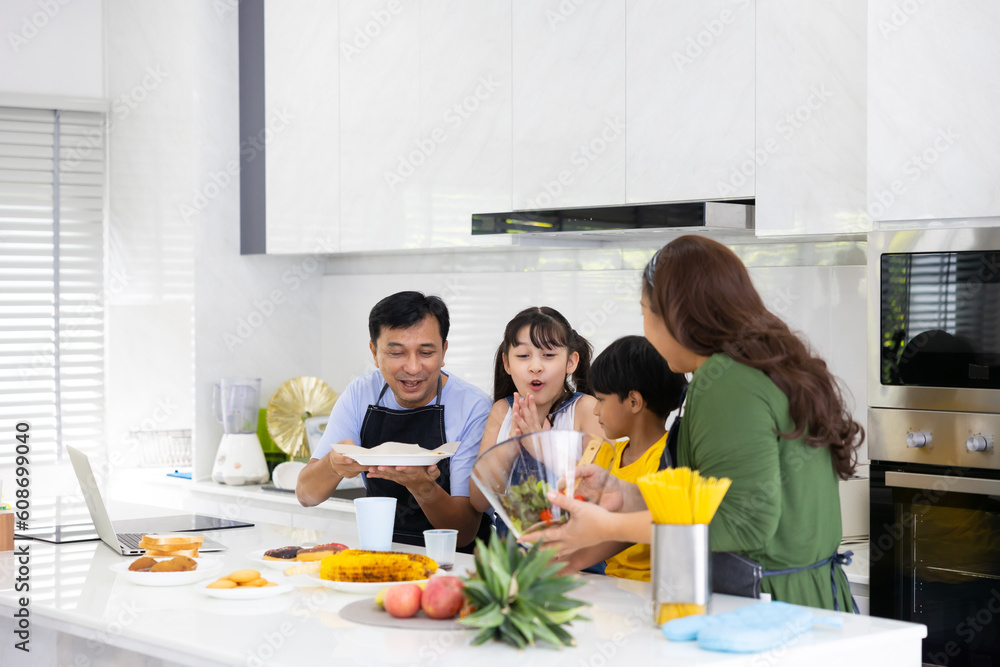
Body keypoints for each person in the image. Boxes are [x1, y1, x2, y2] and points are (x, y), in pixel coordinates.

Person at [522, 236, 865, 611]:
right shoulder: (755, 365)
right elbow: (711, 495)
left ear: (676, 315)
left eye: (644, 311)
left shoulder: (727, 381)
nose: (646, 328)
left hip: (767, 609)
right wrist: (622, 491)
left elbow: (741, 522)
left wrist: (607, 527)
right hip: (796, 602)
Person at [296, 291, 493, 550]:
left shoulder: (473, 407)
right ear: (374, 353)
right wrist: (333, 466)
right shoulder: (360, 394)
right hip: (383, 555)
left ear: (444, 351)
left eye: (426, 352)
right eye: (396, 353)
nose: (412, 368)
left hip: (456, 565)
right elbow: (306, 495)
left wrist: (424, 488)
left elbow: (465, 531)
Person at [470, 306, 603, 514]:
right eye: (523, 355)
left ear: (571, 361)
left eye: (548, 354)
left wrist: (538, 444)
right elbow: (478, 501)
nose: (535, 366)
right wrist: (511, 447)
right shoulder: (501, 411)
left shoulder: (586, 409)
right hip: (512, 545)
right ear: (506, 363)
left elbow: (599, 493)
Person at [588, 335, 687, 581]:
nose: (595, 410)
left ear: (633, 401)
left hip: (650, 590)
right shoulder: (604, 455)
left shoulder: (670, 460)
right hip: (608, 585)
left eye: (600, 399)